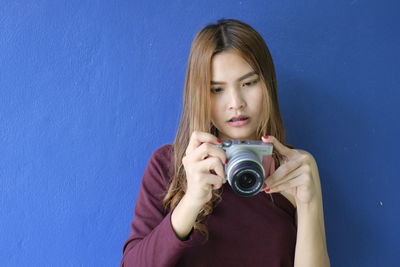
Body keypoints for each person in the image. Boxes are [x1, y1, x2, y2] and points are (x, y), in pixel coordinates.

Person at [121, 18, 330, 267]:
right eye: (217, 89)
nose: (236, 102)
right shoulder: (169, 165)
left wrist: (308, 205)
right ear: (200, 94)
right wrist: (192, 200)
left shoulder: (295, 168)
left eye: (249, 83)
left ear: (268, 84)